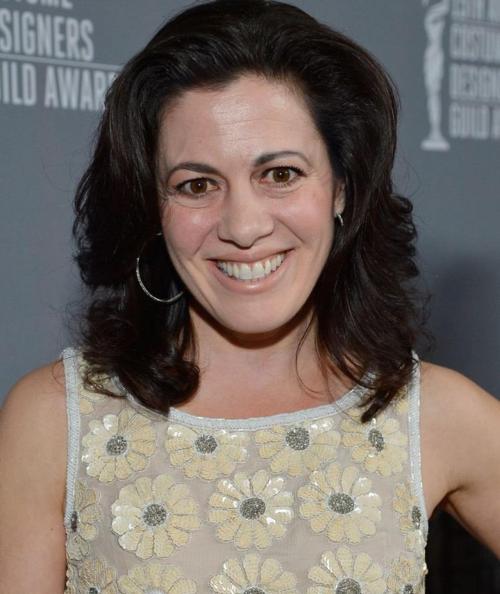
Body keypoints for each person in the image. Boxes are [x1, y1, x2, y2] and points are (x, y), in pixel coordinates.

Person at [1, 0, 499, 592]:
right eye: (197, 184)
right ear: (153, 208)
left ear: (341, 187)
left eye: (280, 174)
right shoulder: (57, 420)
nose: (242, 226)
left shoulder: (433, 416)